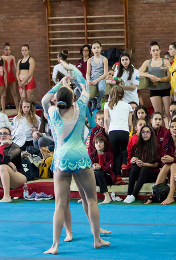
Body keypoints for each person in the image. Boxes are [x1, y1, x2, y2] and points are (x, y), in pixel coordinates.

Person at [42, 60, 110, 254]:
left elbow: (45, 99)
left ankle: (55, 245)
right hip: (80, 156)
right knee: (91, 199)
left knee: (60, 204)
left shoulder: (53, 112)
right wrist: (73, 71)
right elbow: (85, 86)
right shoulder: (80, 107)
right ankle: (97, 239)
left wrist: (60, 83)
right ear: (73, 98)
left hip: (62, 158)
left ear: (58, 99)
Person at [145, 117, 176, 205]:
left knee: (173, 165)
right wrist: (164, 160)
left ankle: (170, 196)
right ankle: (153, 194)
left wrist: (173, 159)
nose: (174, 128)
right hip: (171, 170)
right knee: (167, 165)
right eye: (172, 127)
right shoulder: (167, 141)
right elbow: (163, 161)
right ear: (169, 129)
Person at [104, 86, 132, 185]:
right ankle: (124, 164)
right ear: (123, 95)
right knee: (124, 150)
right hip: (124, 131)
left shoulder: (108, 105)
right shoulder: (127, 106)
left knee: (116, 154)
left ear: (111, 94)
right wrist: (128, 131)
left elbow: (106, 119)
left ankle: (118, 178)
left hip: (113, 131)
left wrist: (107, 128)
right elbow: (129, 123)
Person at [124, 125, 159, 203]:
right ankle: (129, 194)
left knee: (144, 168)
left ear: (151, 134)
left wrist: (144, 164)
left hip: (151, 174)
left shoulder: (156, 146)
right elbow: (132, 159)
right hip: (140, 173)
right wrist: (133, 160)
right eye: (143, 132)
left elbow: (156, 164)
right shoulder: (137, 146)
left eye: (147, 132)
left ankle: (133, 195)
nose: (145, 134)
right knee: (134, 168)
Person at [139, 41, 171, 121]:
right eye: (153, 50)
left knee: (168, 113)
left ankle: (169, 131)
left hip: (165, 89)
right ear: (150, 52)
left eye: (157, 50)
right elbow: (138, 72)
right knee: (158, 114)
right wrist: (150, 76)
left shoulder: (165, 62)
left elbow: (169, 77)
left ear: (160, 50)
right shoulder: (147, 62)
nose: (155, 52)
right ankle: (160, 131)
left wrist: (158, 79)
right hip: (154, 90)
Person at [90, 134, 115, 204]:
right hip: (95, 177)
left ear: (104, 144)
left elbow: (109, 168)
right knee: (87, 174)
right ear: (94, 145)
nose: (98, 144)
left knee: (98, 173)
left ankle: (107, 196)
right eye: (96, 142)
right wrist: (93, 167)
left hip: (107, 177)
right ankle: (86, 197)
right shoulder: (92, 155)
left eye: (101, 142)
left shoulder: (109, 154)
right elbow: (89, 167)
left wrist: (100, 167)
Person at [87, 41, 108, 111]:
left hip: (101, 78)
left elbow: (105, 74)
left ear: (101, 48)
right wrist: (88, 80)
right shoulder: (90, 60)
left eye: (98, 47)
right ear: (92, 50)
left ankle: (99, 100)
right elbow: (88, 73)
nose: (96, 49)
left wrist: (97, 80)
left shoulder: (104, 59)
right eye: (94, 48)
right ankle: (93, 100)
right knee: (79, 91)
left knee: (102, 89)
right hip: (92, 78)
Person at [1, 43, 19, 112]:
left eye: (9, 50)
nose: (8, 51)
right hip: (4, 77)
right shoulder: (2, 57)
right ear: (3, 50)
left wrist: (18, 75)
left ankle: (18, 109)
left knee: (14, 93)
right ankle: (3, 111)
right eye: (6, 49)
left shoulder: (12, 57)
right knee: (3, 94)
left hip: (11, 76)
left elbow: (15, 67)